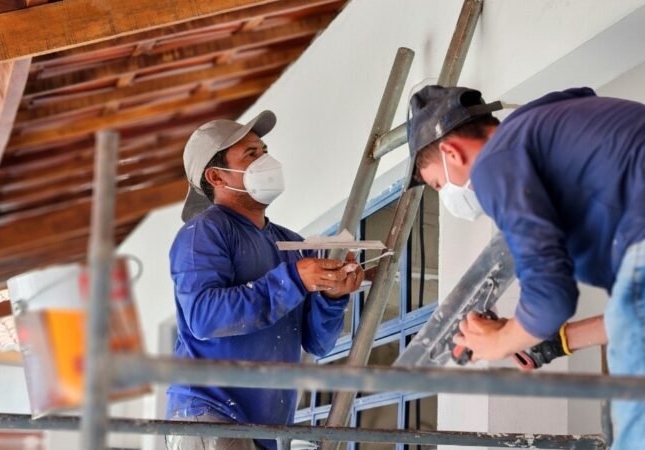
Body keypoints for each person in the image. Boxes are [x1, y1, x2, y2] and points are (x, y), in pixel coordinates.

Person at [404, 85, 644, 449]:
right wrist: (547, 342)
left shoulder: (496, 161)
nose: (447, 195)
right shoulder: (551, 138)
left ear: (451, 152)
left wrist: (499, 341)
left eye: (438, 184)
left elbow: (551, 299)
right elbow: (630, 319)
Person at [166, 110, 365, 450]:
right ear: (216, 176)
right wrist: (293, 279)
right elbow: (203, 316)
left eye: (264, 150)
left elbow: (318, 343)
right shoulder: (204, 232)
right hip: (210, 414)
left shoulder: (290, 243)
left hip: (264, 428)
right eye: (251, 155)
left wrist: (332, 297)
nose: (267, 161)